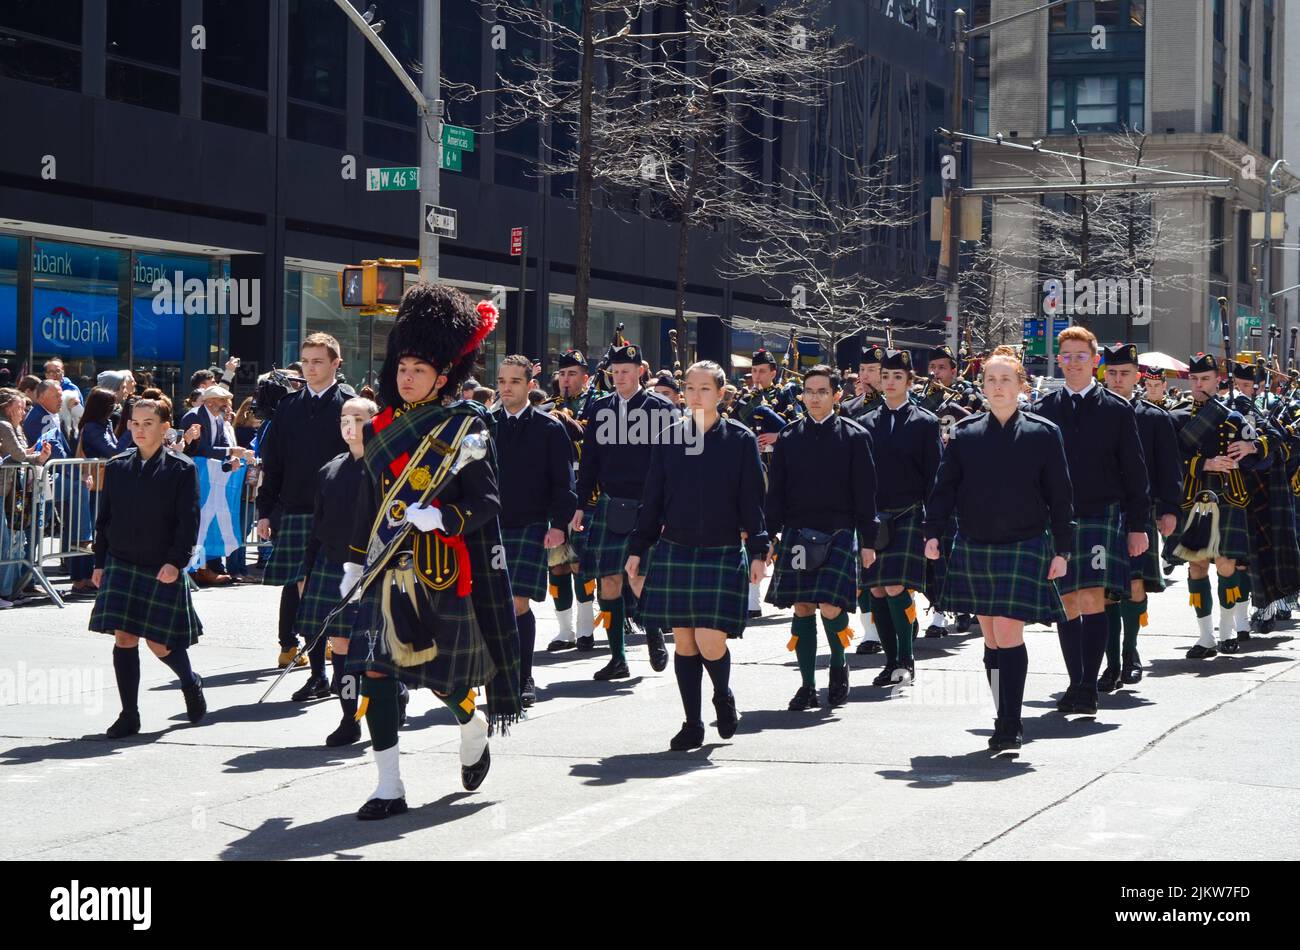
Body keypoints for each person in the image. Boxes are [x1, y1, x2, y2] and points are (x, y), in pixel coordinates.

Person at [342, 283, 520, 820]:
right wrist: (353, 562)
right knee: (377, 671)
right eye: (402, 367)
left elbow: (487, 502)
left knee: (443, 679)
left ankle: (472, 725)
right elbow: (367, 501)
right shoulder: (379, 428)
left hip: (439, 570)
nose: (406, 376)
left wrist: (443, 517)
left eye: (418, 369)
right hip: (384, 570)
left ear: (444, 376)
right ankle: (389, 787)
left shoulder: (467, 426)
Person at [924, 350, 1074, 752]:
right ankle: (1001, 709)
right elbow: (944, 487)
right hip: (976, 543)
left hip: (1024, 544)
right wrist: (933, 532)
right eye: (991, 380)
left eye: (1006, 380)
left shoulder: (1044, 433)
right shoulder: (965, 433)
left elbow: (1060, 496)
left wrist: (1064, 548)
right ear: (982, 386)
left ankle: (1010, 723)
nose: (998, 387)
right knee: (990, 635)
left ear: (1022, 385)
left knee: (1007, 632)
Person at [627, 360, 767, 749]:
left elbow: (752, 501)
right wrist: (639, 548)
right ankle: (692, 723)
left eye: (705, 389)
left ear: (721, 394)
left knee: (710, 641)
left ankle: (723, 695)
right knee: (685, 643)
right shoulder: (669, 438)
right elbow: (652, 499)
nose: (695, 395)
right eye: (690, 388)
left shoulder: (739, 440)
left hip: (722, 549)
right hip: (676, 549)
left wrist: (758, 549)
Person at [1032, 326, 1148, 717]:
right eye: (1067, 355)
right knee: (1066, 603)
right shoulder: (1044, 410)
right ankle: (1075, 680)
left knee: (1091, 598)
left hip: (1101, 515)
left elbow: (1135, 473)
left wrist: (1138, 526)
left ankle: (1088, 686)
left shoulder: (1117, 410)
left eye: (1081, 355)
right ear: (1059, 360)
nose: (1074, 362)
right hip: (1058, 520)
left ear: (1095, 361)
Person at [89, 396, 206, 739]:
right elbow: (105, 519)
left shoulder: (182, 468)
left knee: (160, 643)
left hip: (160, 565)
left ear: (165, 427)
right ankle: (129, 714)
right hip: (122, 563)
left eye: (148, 424)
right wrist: (99, 562)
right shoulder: (117, 466)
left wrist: (175, 561)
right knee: (124, 637)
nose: (139, 430)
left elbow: (189, 520)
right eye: (134, 424)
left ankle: (189, 681)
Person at [765, 365, 877, 710]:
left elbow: (866, 494)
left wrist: (869, 541)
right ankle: (807, 685)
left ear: (836, 396)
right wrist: (768, 535)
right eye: (809, 392)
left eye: (822, 392)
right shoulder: (788, 437)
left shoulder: (856, 437)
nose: (814, 398)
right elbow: (776, 493)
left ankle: (838, 664)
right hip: (798, 532)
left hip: (839, 531)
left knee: (830, 606)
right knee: (802, 606)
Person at [571, 342, 676, 680]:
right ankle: (618, 657)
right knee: (609, 582)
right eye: (614, 372)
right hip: (611, 503)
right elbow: (590, 462)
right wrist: (581, 504)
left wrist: (668, 510)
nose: (619, 377)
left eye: (625, 372)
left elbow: (673, 465)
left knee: (640, 577)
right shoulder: (601, 408)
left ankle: (654, 633)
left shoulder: (661, 408)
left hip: (648, 505)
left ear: (640, 372)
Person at [256, 334, 354, 669]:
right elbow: (275, 462)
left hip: (338, 510)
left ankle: (323, 648)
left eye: (318, 361)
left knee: (324, 584)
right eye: (307, 361)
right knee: (300, 582)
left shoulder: (349, 404)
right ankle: (303, 650)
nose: (310, 368)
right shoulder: (288, 407)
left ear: (335, 363)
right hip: (295, 507)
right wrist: (264, 510)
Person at [292, 396, 379, 745]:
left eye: (357, 418)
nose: (349, 425)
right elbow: (319, 525)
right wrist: (309, 569)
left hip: (374, 567)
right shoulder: (329, 470)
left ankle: (395, 693)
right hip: (334, 566)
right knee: (340, 643)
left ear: (373, 422)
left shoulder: (385, 467)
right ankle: (349, 717)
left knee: (377, 646)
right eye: (345, 417)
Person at [492, 355, 577, 707]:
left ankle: (523, 675)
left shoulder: (549, 427)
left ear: (530, 385)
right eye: (501, 381)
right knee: (493, 606)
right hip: (489, 526)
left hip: (529, 524)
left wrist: (559, 526)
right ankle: (499, 676)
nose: (506, 388)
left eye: (513, 381)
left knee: (516, 604)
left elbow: (564, 482)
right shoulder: (485, 424)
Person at [858, 349, 942, 687]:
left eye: (898, 377)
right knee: (876, 590)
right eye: (886, 376)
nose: (891, 382)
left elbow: (933, 476)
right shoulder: (865, 423)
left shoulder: (925, 422)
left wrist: (931, 524)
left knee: (896, 587)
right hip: (873, 518)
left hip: (908, 513)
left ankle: (906, 660)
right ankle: (890, 660)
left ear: (909, 381)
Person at [1100, 344, 1181, 689]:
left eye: (1125, 374)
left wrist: (1170, 509)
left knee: (1134, 586)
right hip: (1100, 512)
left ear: (1137, 376)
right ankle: (1110, 663)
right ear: (1104, 374)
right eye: (1113, 374)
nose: (1119, 380)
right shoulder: (1092, 412)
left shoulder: (1154, 418)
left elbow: (1168, 469)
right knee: (1105, 590)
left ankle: (1130, 652)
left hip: (1139, 511)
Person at [1167, 353, 1259, 659]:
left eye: (1204, 378)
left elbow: (1262, 455)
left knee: (1226, 564)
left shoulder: (1233, 415)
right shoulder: (1178, 416)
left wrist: (1251, 447)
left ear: (1217, 380)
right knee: (1196, 565)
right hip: (1194, 497)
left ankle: (1227, 631)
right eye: (1193, 378)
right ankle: (1205, 638)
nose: (1198, 384)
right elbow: (1167, 461)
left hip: (1228, 497)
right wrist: (1203, 463)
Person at [23, 379, 97, 597]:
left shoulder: (54, 415)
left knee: (37, 530)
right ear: (41, 396)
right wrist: (80, 475)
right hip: (42, 480)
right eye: (56, 395)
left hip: (48, 480)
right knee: (34, 531)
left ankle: (82, 538)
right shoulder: (40, 417)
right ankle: (83, 535)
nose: (60, 399)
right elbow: (57, 455)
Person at [546, 349, 598, 652]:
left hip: (586, 494)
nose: (566, 379)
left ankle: (585, 628)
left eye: (573, 374)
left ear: (585, 377)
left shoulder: (597, 406)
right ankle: (564, 630)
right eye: (563, 374)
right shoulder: (549, 407)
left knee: (581, 563)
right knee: (558, 563)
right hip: (555, 495)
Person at [0, 388, 52, 605]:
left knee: (15, 538)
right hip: (6, 489)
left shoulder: (16, 426)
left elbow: (22, 453)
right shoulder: (3, 425)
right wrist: (35, 456)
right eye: (20, 406)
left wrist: (37, 455)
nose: (23, 411)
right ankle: (5, 592)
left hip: (15, 489)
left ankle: (10, 589)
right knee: (8, 540)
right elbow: (20, 455)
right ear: (7, 407)